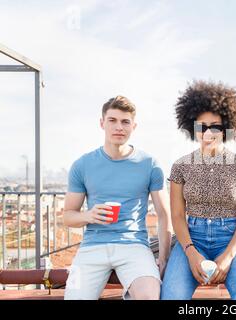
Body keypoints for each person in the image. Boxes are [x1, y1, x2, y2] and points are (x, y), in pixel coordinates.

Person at [161, 80, 236, 300]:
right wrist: (190, 253)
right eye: (202, 126)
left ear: (226, 128)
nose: (208, 133)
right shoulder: (180, 166)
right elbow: (178, 216)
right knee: (172, 297)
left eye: (215, 126)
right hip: (191, 238)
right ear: (193, 128)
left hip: (231, 237)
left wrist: (227, 257)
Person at [63, 95, 172, 300]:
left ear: (134, 126)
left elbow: (164, 215)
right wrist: (89, 216)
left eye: (125, 122)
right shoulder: (82, 165)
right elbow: (68, 216)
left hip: (134, 247)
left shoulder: (150, 164)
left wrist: (164, 258)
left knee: (149, 296)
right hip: (91, 247)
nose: (119, 127)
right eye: (112, 120)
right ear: (102, 123)